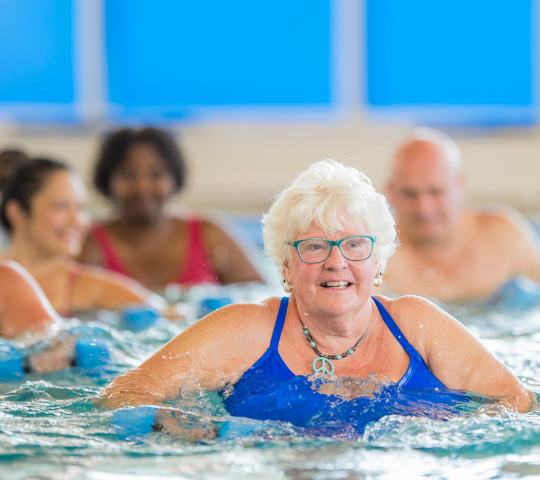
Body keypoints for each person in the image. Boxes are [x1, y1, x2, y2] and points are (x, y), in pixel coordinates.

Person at [98, 160, 534, 435]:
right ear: (285, 267)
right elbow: (125, 394)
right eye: (313, 246)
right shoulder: (247, 330)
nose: (336, 262)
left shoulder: (418, 326)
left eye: (355, 245)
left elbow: (515, 401)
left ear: (378, 262)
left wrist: (443, 437)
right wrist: (199, 432)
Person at [79, 128, 265, 289]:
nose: (143, 186)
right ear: (107, 180)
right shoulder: (91, 244)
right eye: (128, 174)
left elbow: (261, 299)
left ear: (174, 178)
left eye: (156, 174)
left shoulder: (209, 233)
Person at [384, 128, 540, 303]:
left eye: (436, 192)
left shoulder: (503, 235)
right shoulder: (381, 256)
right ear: (392, 192)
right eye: (410, 194)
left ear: (459, 184)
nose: (424, 209)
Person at [0, 156, 167, 316]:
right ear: (18, 213)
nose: (77, 220)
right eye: (61, 206)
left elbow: (173, 318)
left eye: (81, 208)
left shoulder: (95, 289)